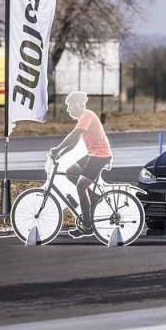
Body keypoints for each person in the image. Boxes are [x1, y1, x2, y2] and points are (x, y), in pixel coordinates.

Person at [50, 91, 113, 238]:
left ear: (78, 104)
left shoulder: (87, 115)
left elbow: (73, 135)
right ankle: (94, 197)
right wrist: (60, 154)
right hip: (93, 154)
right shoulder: (83, 118)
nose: (68, 109)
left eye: (70, 105)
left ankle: (87, 224)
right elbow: (74, 142)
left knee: (80, 186)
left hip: (100, 156)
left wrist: (57, 148)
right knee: (71, 171)